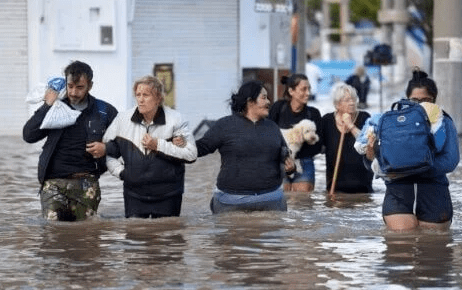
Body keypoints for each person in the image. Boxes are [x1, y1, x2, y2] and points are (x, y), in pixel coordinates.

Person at [23, 61, 118, 221]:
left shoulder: (104, 111)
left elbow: (124, 144)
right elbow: (29, 135)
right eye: (70, 86)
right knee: (53, 233)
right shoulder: (55, 109)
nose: (73, 92)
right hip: (53, 183)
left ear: (90, 86)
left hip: (87, 182)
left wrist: (107, 148)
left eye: (79, 87)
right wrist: (47, 105)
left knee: (86, 236)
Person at [365, 69, 460, 231]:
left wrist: (417, 166)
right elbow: (375, 164)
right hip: (398, 194)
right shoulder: (393, 121)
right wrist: (369, 156)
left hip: (434, 195)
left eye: (425, 100)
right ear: (406, 99)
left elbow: (451, 160)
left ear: (434, 100)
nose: (420, 105)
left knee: (433, 249)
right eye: (414, 100)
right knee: (401, 246)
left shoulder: (444, 122)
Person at [102, 76, 197, 218]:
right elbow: (106, 151)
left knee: (168, 238)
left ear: (158, 98)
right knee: (135, 236)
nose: (140, 99)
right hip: (134, 195)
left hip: (169, 195)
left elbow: (191, 154)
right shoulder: (122, 119)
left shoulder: (176, 119)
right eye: (138, 95)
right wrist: (122, 173)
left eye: (145, 95)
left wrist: (158, 145)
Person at [196, 80, 295, 214]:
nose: (269, 102)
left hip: (271, 200)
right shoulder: (224, 125)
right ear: (250, 101)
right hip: (230, 201)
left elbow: (285, 157)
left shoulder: (272, 127)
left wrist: (290, 168)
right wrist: (174, 145)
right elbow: (200, 148)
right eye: (264, 97)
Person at [269, 74, 322, 192]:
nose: (308, 93)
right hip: (279, 162)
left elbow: (319, 146)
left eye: (309, 89)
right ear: (291, 91)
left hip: (304, 163)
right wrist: (285, 157)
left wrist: (303, 142)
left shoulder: (313, 113)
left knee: (302, 203)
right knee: (282, 199)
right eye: (303, 89)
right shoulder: (278, 108)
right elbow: (267, 135)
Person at [319, 83, 373, 194]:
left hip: (362, 188)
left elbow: (366, 143)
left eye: (354, 99)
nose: (352, 103)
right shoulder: (327, 120)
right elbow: (319, 148)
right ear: (337, 105)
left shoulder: (364, 117)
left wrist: (350, 126)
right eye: (347, 100)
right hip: (335, 187)